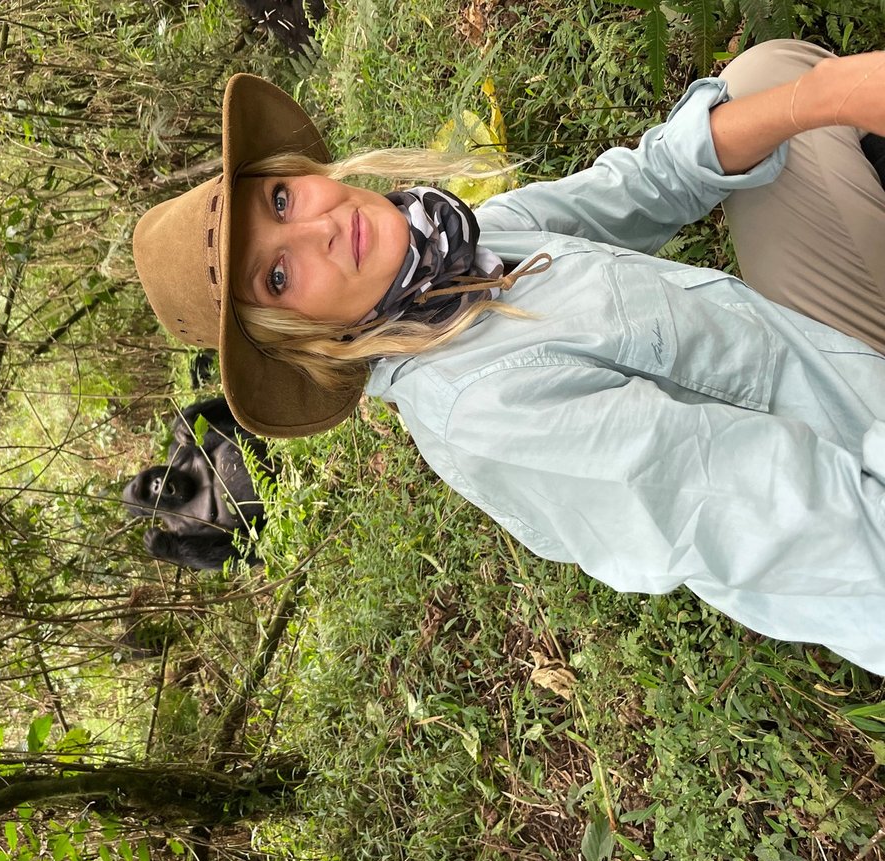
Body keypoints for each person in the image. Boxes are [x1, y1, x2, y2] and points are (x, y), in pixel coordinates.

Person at [132, 40, 885, 675]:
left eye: (281, 203)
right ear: (302, 343)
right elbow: (815, 535)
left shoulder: (467, 252)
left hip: (834, 371)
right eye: (279, 276)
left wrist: (820, 98)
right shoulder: (486, 411)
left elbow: (654, 180)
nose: (318, 231)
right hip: (868, 476)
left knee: (773, 78)